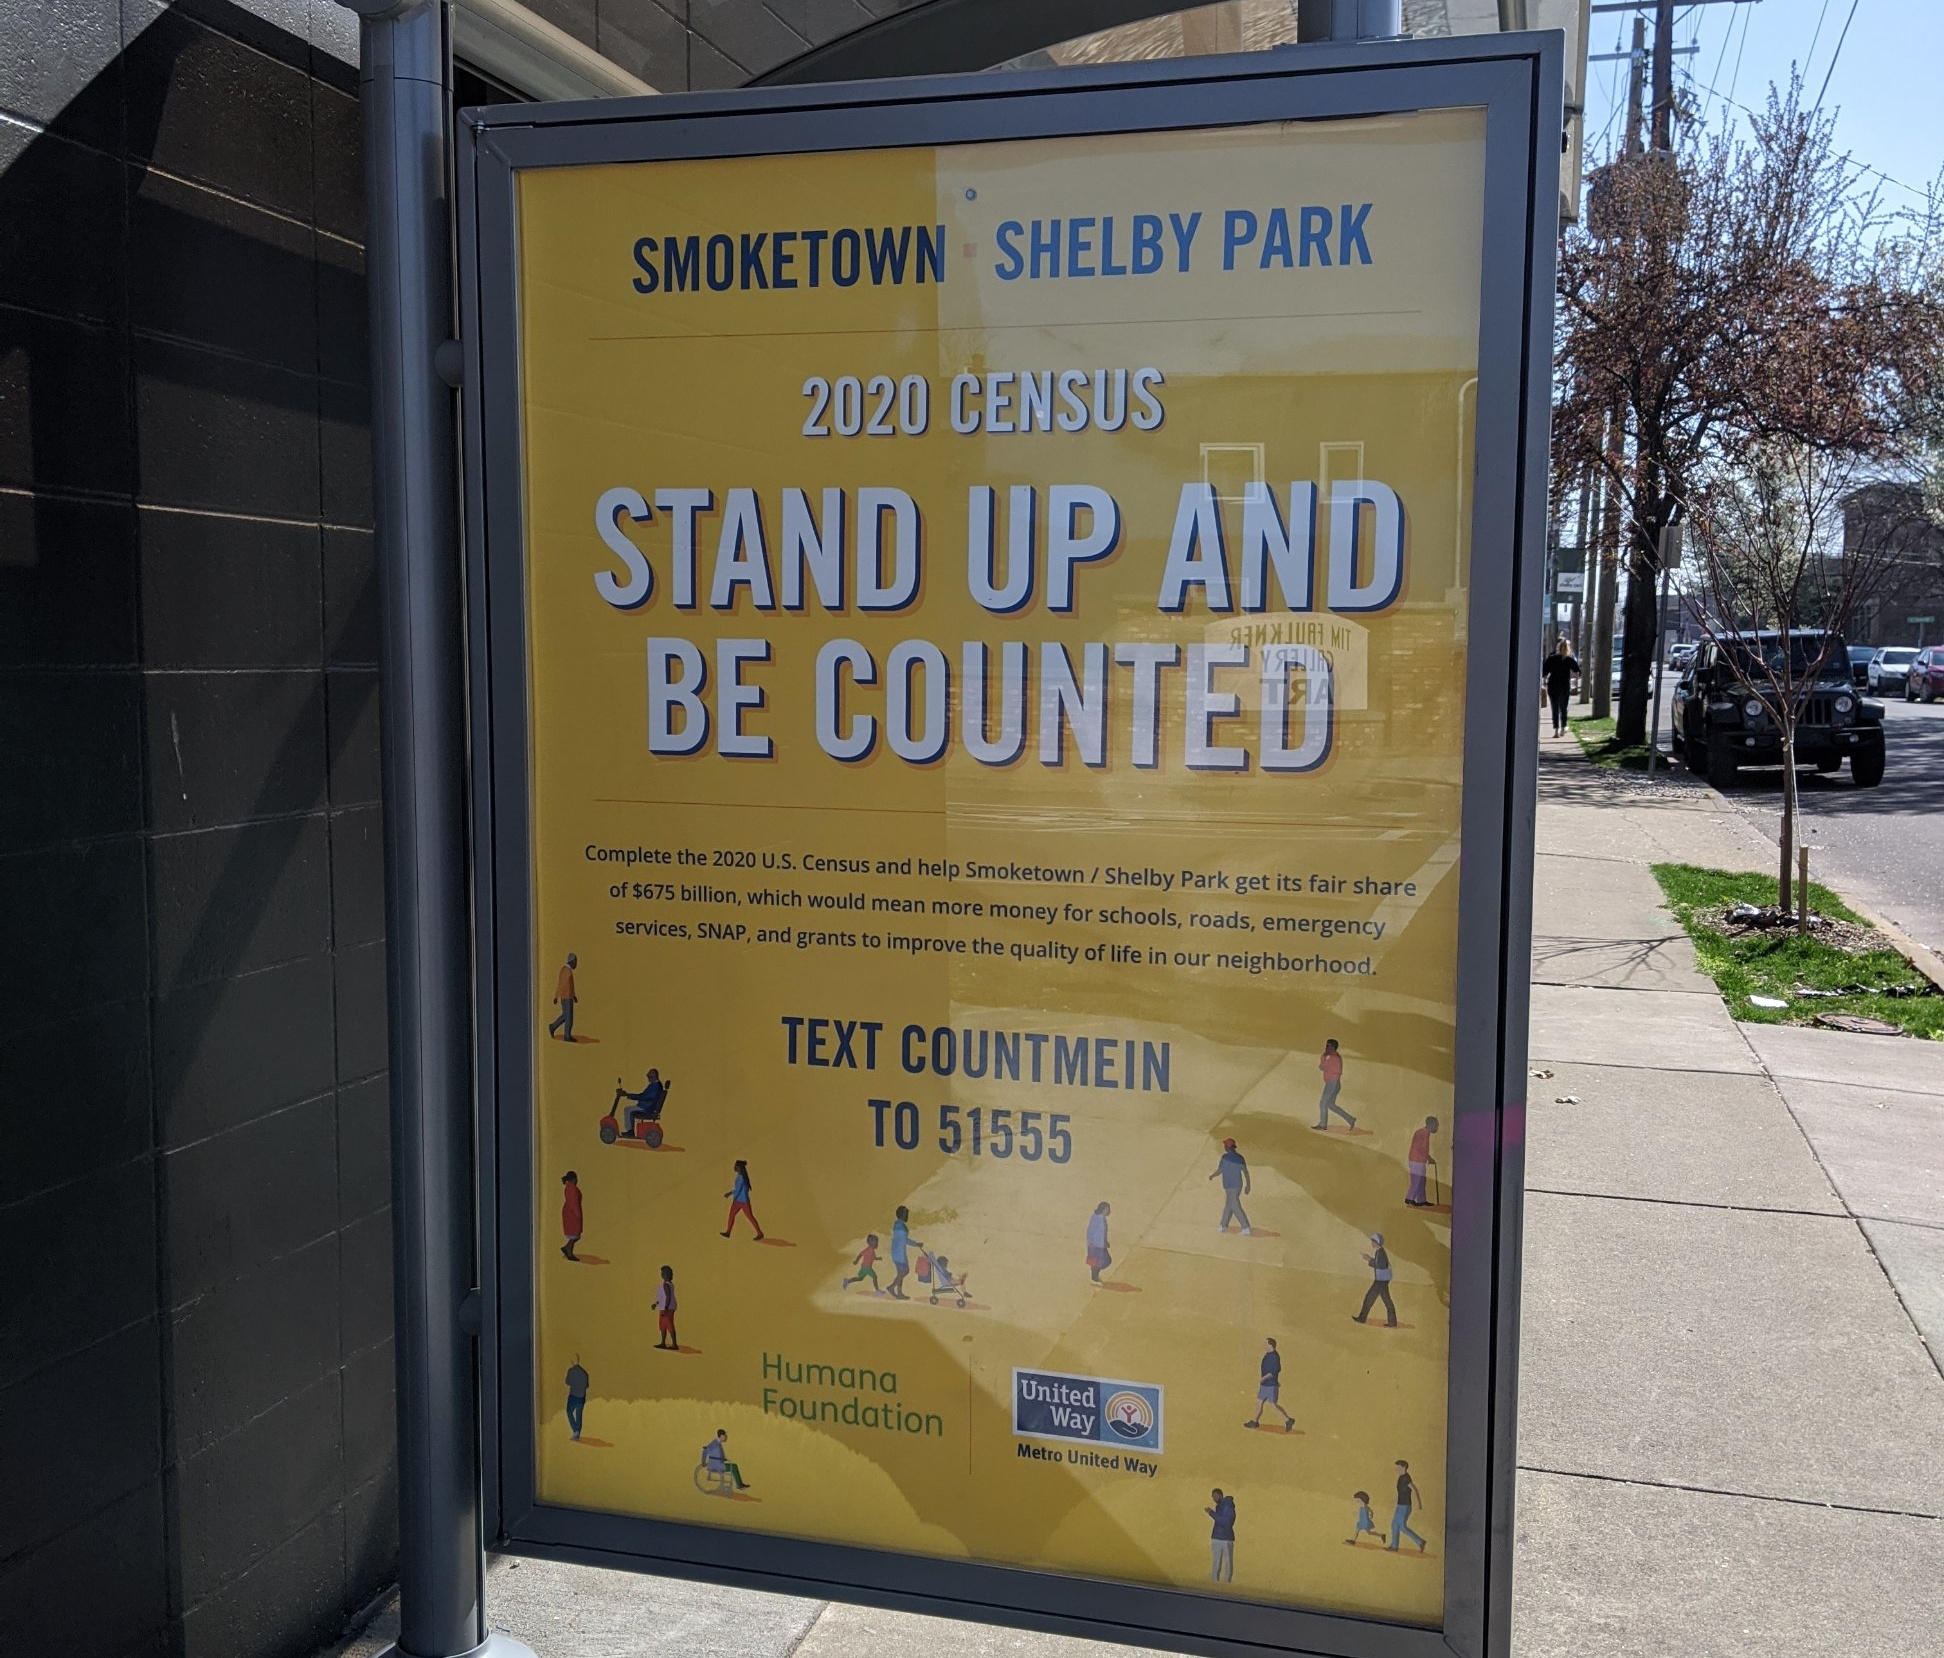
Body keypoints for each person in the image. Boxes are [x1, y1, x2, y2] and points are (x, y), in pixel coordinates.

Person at [1247, 1337, 1294, 1432]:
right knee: (1259, 1402)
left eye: (1266, 1344)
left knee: (1272, 1405)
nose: (1264, 1345)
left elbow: (1274, 1371)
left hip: (1269, 1385)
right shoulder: (1269, 1354)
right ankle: (1254, 1421)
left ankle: (1288, 1420)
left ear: (1270, 1345)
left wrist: (1263, 1378)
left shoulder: (1274, 1357)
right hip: (1266, 1384)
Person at [1209, 1139, 1252, 1235]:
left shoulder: (1224, 1158)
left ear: (1227, 1147)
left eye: (1225, 1145)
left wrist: (1212, 1176)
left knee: (1235, 1206)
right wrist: (1248, 1185)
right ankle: (1223, 1225)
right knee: (1229, 1205)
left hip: (1230, 1185)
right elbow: (1246, 1172)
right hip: (1237, 1186)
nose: (1224, 1147)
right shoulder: (1240, 1158)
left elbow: (1220, 1170)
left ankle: (1245, 1227)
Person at [1355, 1233, 1397, 1326]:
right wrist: (1370, 1259)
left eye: (1373, 1242)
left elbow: (1380, 1265)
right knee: (1386, 1300)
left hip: (1381, 1281)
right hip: (1382, 1280)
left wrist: (1369, 1259)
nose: (1372, 1243)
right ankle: (1392, 1322)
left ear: (1378, 1243)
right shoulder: (1379, 1252)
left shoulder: (1380, 1252)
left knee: (1369, 1298)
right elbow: (1379, 1263)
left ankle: (1362, 1318)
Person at [1542, 637, 1580, 738]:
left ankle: (1556, 730)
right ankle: (1563, 728)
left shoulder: (1552, 658)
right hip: (1564, 685)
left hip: (1553, 685)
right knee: (1563, 708)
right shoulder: (1569, 660)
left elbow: (1544, 671)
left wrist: (1545, 679)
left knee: (1554, 708)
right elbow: (1577, 670)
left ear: (1558, 647)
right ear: (1568, 648)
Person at [1314, 1039, 1356, 1131]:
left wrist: (1325, 1068)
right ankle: (1351, 1119)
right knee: (1330, 1105)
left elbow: (1336, 1071)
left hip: (1332, 1083)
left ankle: (1323, 1125)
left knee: (1323, 1103)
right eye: (1326, 1045)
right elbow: (1322, 1065)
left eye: (1328, 1046)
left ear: (1333, 1047)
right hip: (1332, 1083)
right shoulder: (1331, 1057)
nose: (1326, 1047)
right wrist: (1324, 1060)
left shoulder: (1335, 1058)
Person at [616, 1069, 669, 1139]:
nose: (648, 1079)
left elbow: (644, 1097)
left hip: (647, 1107)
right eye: (648, 1077)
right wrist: (629, 1095)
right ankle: (630, 1130)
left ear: (654, 1077)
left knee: (627, 1110)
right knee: (629, 1109)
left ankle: (630, 1131)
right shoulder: (656, 1085)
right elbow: (643, 1095)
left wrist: (629, 1095)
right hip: (647, 1106)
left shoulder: (655, 1086)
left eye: (650, 1077)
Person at [721, 1159, 764, 1240]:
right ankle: (728, 1232)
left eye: (735, 1166)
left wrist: (732, 1196)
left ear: (739, 1167)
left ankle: (760, 1233)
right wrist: (730, 1193)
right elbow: (738, 1189)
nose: (734, 1167)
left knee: (749, 1217)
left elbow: (738, 1190)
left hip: (741, 1201)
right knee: (733, 1215)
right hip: (740, 1201)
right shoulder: (741, 1176)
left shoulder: (741, 1178)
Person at [1389, 1461, 1427, 1552]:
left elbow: (1415, 1490)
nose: (1396, 1469)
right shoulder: (1400, 1478)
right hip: (1400, 1505)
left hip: (1405, 1506)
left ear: (1404, 1468)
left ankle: (1420, 1542)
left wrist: (1419, 1503)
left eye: (1398, 1467)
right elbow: (1401, 1492)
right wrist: (1394, 1500)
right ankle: (1394, 1546)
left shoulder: (1406, 1478)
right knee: (1394, 1525)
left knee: (1402, 1527)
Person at [1405, 1117, 1439, 1207]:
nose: (1437, 1127)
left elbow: (1423, 1149)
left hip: (1419, 1160)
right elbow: (1422, 1148)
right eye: (1436, 1124)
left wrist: (1428, 1158)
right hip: (1416, 1160)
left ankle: (1421, 1200)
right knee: (1417, 1180)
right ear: (1431, 1124)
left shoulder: (1424, 1132)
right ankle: (1409, 1198)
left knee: (1421, 1181)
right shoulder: (1423, 1133)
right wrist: (1429, 1158)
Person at [888, 1205, 920, 1299]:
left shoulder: (899, 1224)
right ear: (902, 1214)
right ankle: (891, 1287)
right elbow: (904, 1240)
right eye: (906, 1213)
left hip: (899, 1251)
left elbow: (903, 1239)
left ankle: (899, 1293)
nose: (907, 1215)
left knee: (900, 1273)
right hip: (899, 1252)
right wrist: (915, 1244)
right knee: (905, 1271)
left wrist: (916, 1244)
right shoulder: (900, 1226)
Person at [1206, 1488, 1236, 1582]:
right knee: (1216, 1561)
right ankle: (1214, 1581)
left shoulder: (1228, 1506)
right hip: (1217, 1536)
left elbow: (1225, 1522)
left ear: (1220, 1495)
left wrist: (1211, 1513)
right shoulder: (1219, 1506)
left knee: (1227, 1562)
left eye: (1215, 1496)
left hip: (1226, 1538)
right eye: (1212, 1497)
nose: (1213, 1499)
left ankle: (1226, 1583)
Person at [548, 952, 578, 1041]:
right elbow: (561, 984)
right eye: (575, 962)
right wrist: (556, 996)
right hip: (566, 997)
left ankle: (553, 1027)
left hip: (568, 996)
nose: (576, 964)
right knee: (568, 1017)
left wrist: (574, 996)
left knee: (566, 1016)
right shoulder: (566, 971)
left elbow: (571, 986)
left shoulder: (566, 970)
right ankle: (567, 1036)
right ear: (572, 961)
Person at [653, 1264, 679, 1350]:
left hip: (667, 1308)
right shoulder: (669, 1284)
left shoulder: (666, 1285)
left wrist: (666, 1308)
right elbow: (663, 1297)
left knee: (668, 1324)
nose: (661, 1274)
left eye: (662, 1273)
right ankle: (663, 1343)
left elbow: (668, 1297)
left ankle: (673, 1344)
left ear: (665, 1274)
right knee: (663, 1324)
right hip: (666, 1307)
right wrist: (656, 1303)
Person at [1085, 1201, 1112, 1284]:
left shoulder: (1102, 1218)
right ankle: (1094, 1277)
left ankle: (1095, 1276)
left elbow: (1103, 1232)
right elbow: (1090, 1231)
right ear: (1103, 1210)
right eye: (1107, 1210)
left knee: (1104, 1261)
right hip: (1095, 1245)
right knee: (1100, 1261)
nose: (1109, 1211)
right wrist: (1090, 1242)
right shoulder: (1095, 1218)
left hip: (1101, 1244)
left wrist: (1105, 1241)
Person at [560, 1170, 583, 1260]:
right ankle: (569, 1252)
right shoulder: (572, 1189)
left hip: (570, 1212)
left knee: (574, 1235)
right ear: (573, 1179)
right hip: (572, 1214)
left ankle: (567, 1248)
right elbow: (573, 1204)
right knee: (574, 1235)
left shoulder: (569, 1187)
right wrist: (578, 1215)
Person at [564, 1356, 589, 1441]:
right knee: (579, 1415)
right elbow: (587, 1385)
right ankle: (577, 1433)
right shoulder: (584, 1373)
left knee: (569, 1412)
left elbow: (567, 1382)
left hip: (573, 1395)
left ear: (572, 1361)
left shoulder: (571, 1371)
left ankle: (575, 1430)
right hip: (581, 1396)